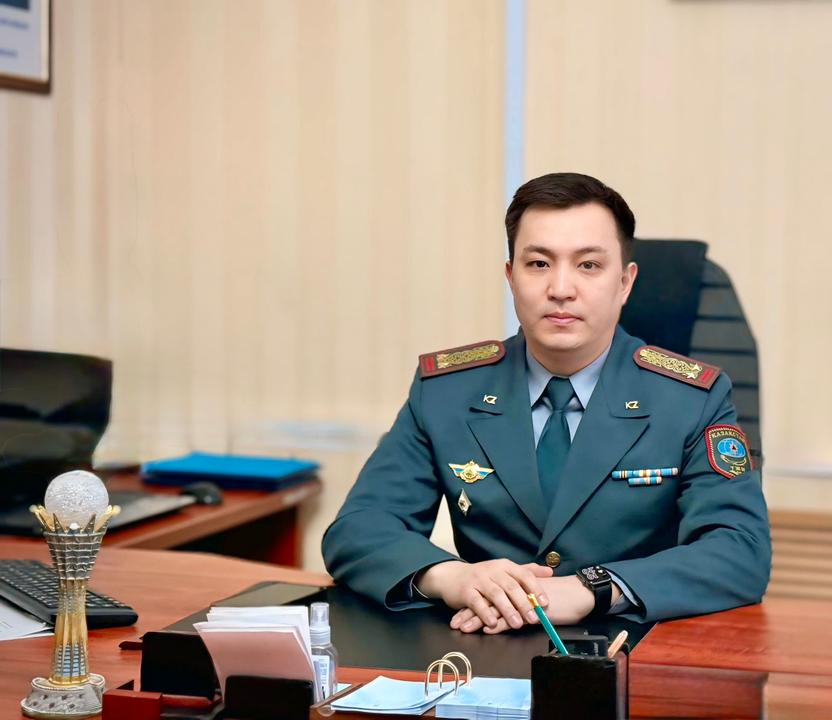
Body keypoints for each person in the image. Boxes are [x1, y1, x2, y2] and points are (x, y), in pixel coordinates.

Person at [322, 172, 770, 634]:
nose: (560, 288)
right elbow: (358, 530)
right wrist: (454, 577)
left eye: (588, 265)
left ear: (625, 282)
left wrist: (592, 589)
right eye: (538, 264)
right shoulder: (446, 391)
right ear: (511, 277)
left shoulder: (691, 399)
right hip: (483, 643)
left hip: (633, 645)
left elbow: (740, 550)